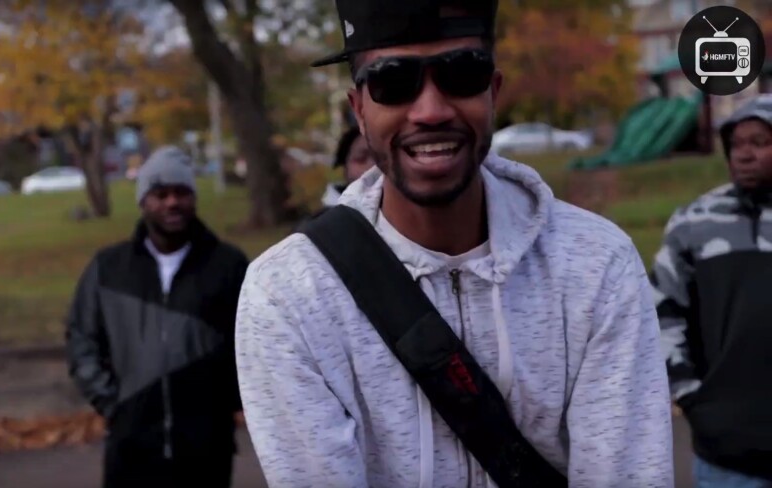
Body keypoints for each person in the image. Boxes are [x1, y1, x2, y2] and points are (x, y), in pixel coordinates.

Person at [234, 1, 674, 487]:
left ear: (494, 92)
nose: (431, 110)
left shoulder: (596, 265)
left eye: (462, 73)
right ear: (358, 109)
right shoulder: (289, 293)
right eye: (393, 82)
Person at [65, 145, 249, 488]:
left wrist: (228, 405)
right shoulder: (109, 269)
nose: (171, 203)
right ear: (142, 201)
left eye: (181, 192)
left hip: (206, 451)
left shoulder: (228, 266)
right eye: (159, 194)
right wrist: (112, 403)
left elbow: (253, 342)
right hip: (131, 449)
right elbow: (82, 339)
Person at [651, 95, 772, 488]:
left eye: (759, 142)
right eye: (736, 144)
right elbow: (661, 310)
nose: (744, 155)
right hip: (726, 456)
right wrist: (690, 396)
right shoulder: (694, 223)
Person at [320, 125, 377, 208]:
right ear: (345, 167)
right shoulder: (327, 219)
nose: (374, 167)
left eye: (384, 158)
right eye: (361, 159)